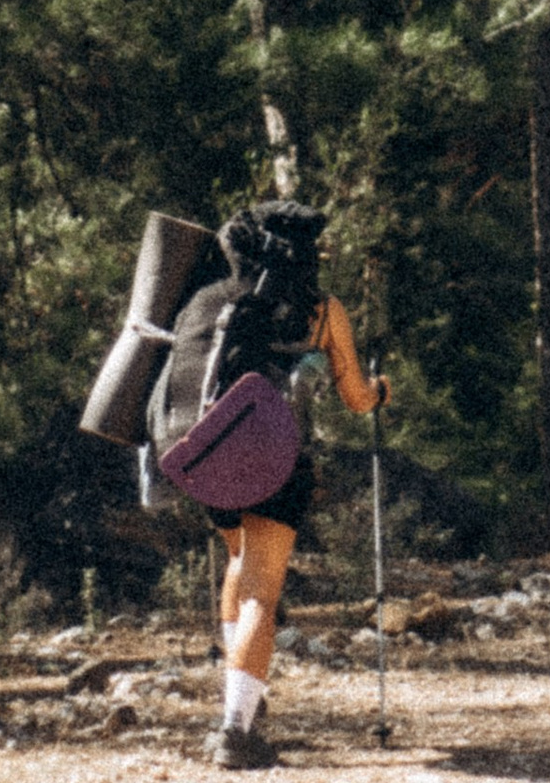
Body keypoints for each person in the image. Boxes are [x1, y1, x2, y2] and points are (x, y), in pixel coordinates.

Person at [155, 201, 386, 771]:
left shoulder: (207, 298)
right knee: (263, 588)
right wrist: (381, 390)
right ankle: (235, 729)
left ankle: (244, 704)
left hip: (197, 453)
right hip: (271, 457)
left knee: (240, 562)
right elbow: (355, 398)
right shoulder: (320, 309)